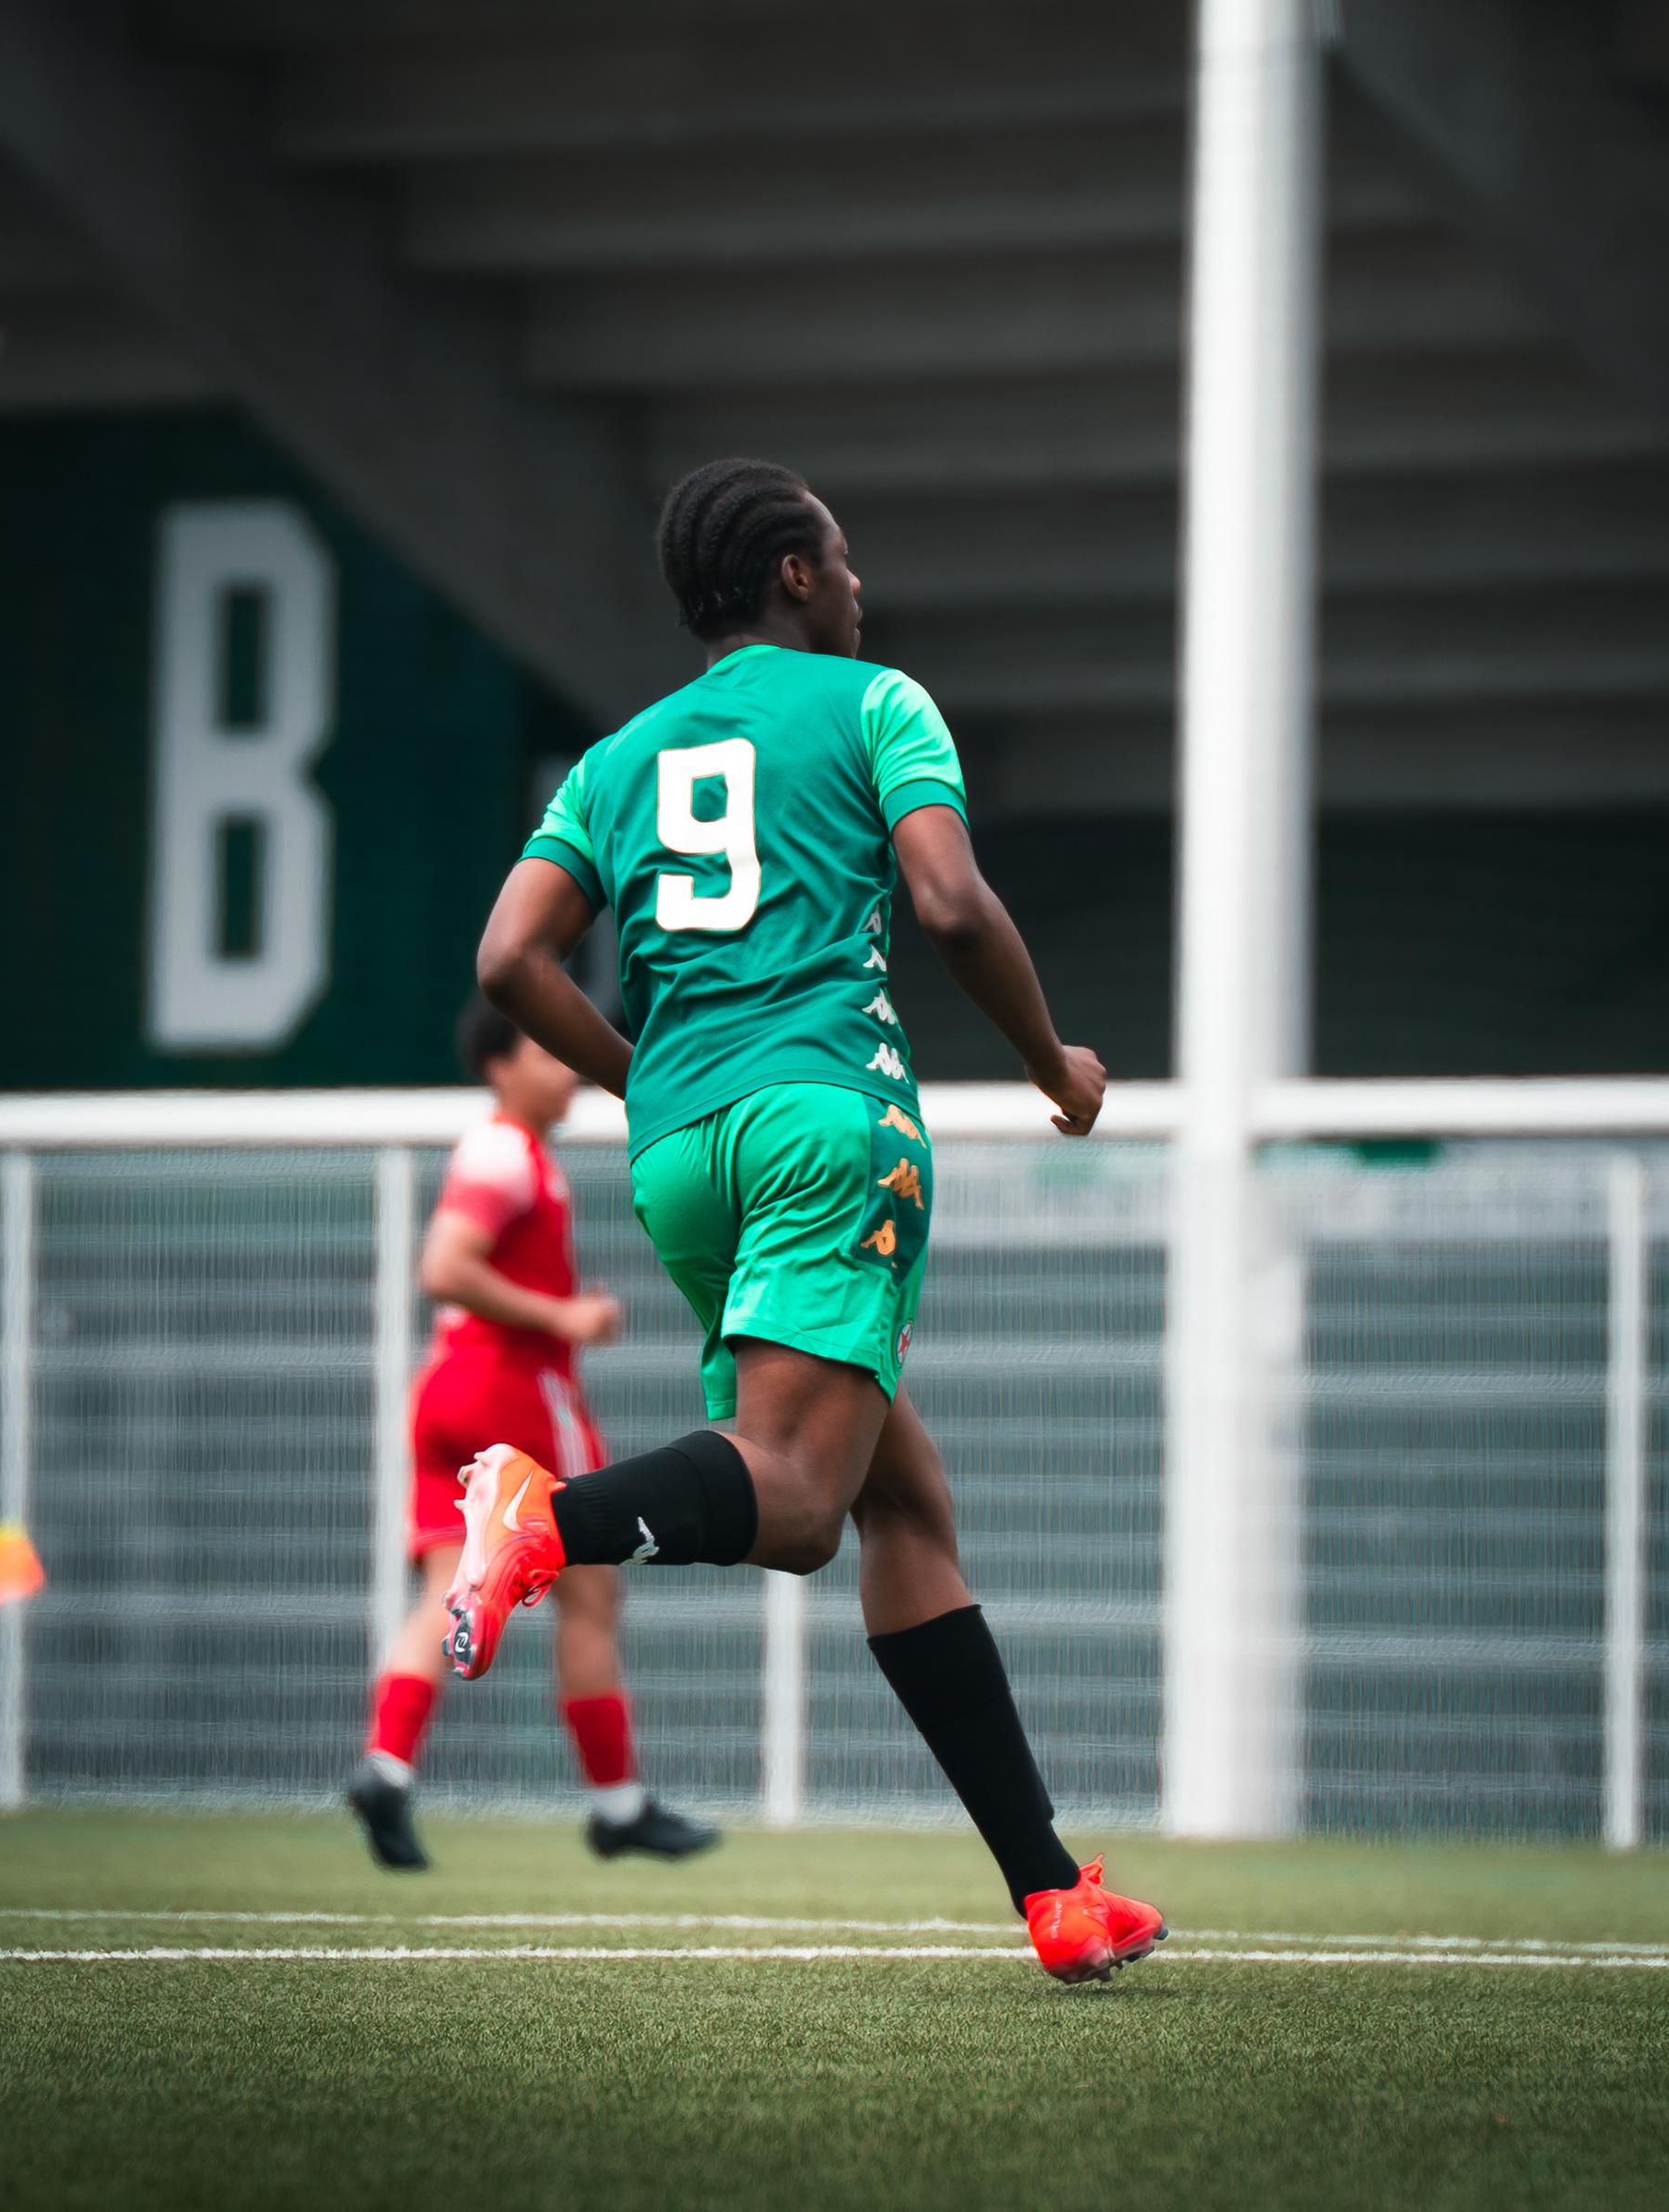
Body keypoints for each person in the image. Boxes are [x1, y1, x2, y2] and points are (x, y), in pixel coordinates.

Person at [450, 456, 1165, 1985]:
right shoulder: (876, 704)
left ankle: (1051, 1891)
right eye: (841, 558)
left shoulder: (617, 761)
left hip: (683, 1154)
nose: (856, 582)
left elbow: (509, 959)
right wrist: (1055, 1065)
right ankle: (549, 1519)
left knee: (904, 1506)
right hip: (828, 1122)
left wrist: (648, 1078)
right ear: (794, 573)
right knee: (794, 1502)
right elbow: (951, 906)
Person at [347, 1002, 718, 1870]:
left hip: (446, 1391)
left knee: (449, 1588)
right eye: (546, 1055)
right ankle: (617, 1805)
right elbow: (445, 1266)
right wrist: (563, 1315)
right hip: (512, 1397)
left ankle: (386, 1768)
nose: (568, 1070)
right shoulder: (508, 1152)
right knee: (590, 1596)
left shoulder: (502, 1152)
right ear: (499, 1066)